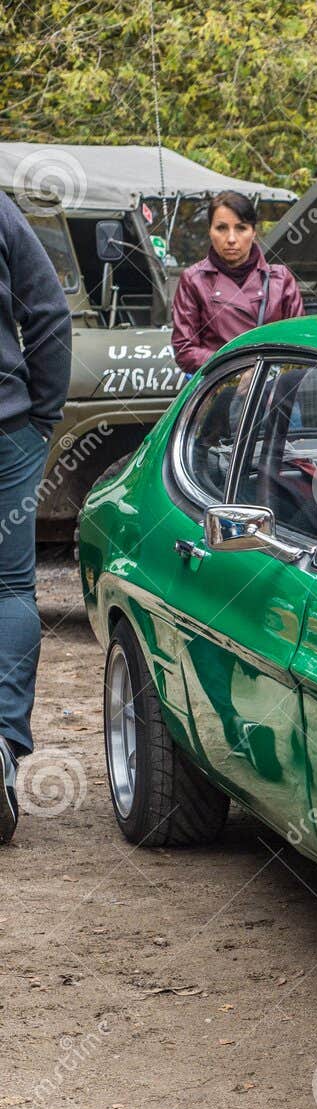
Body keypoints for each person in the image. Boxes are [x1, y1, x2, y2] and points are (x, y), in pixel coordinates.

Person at [0, 190, 72, 843]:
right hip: (6, 429)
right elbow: (49, 313)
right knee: (11, 589)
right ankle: (0, 743)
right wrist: (40, 417)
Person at [170, 191, 305, 373]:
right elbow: (185, 351)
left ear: (253, 232)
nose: (231, 239)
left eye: (241, 228)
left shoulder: (281, 279)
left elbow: (299, 343)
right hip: (218, 390)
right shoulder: (193, 280)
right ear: (210, 231)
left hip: (274, 390)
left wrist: (264, 372)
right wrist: (235, 369)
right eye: (221, 228)